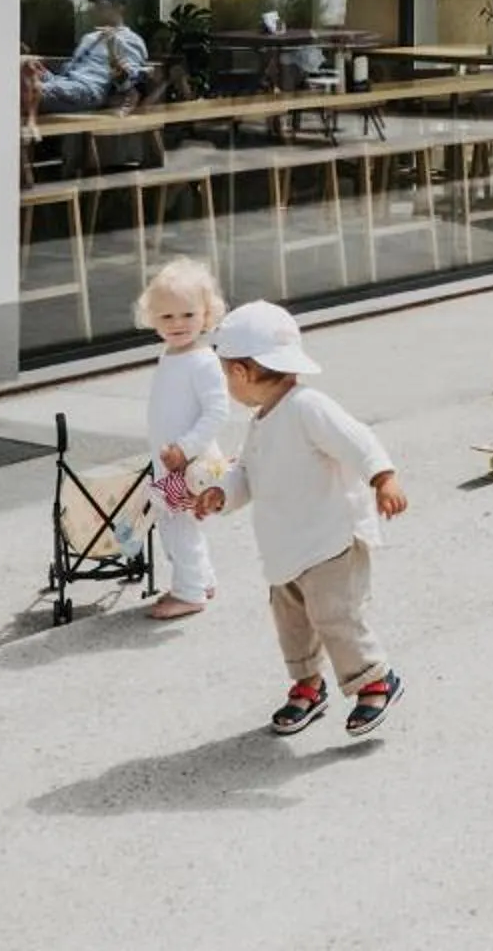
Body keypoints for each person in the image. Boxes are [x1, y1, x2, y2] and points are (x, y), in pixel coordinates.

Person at [191, 302, 412, 737]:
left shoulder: (308, 407)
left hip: (330, 541)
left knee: (334, 615)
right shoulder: (262, 421)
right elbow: (247, 472)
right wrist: (224, 492)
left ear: (241, 372)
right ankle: (309, 685)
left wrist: (383, 478)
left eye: (225, 373)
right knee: (292, 624)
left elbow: (358, 440)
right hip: (286, 549)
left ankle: (374, 679)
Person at [137, 259, 232, 621]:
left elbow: (217, 412)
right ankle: (201, 581)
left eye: (188, 314)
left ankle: (189, 592)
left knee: (178, 527)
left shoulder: (203, 361)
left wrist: (186, 448)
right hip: (171, 460)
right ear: (153, 318)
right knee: (179, 524)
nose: (177, 324)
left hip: (191, 464)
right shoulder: (170, 355)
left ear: (207, 314)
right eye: (167, 316)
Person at [27, 0, 149, 116]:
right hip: (63, 82)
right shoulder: (88, 37)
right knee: (20, 67)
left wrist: (112, 49)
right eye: (93, 2)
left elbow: (128, 84)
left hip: (88, 90)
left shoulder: (130, 40)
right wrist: (43, 72)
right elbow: (71, 72)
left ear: (119, 7)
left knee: (25, 90)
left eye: (101, 1)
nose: (95, 6)